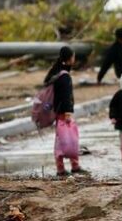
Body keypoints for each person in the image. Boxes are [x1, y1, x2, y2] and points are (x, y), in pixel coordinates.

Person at [45, 46, 88, 176]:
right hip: (64, 114)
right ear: (70, 59)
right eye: (73, 56)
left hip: (58, 112)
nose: (74, 59)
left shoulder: (56, 73)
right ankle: (66, 168)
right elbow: (65, 96)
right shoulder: (64, 76)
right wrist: (68, 112)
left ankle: (67, 166)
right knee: (69, 140)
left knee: (64, 139)